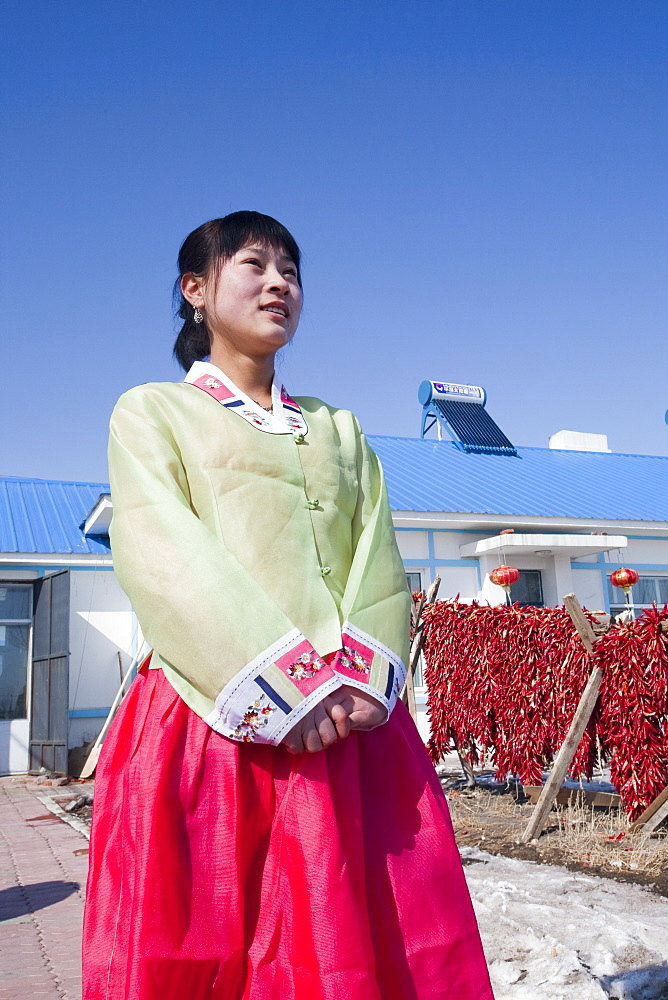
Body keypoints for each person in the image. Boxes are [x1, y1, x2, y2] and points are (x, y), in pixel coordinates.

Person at [82, 211, 494, 1000]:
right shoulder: (152, 414)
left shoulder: (340, 429)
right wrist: (281, 687)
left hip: (352, 723)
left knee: (370, 940)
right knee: (212, 943)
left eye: (292, 270)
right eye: (254, 264)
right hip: (213, 720)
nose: (280, 283)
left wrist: (355, 684)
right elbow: (161, 552)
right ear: (195, 290)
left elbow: (377, 555)